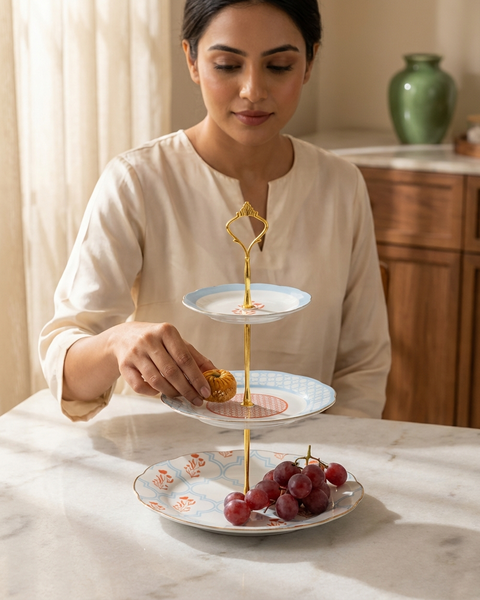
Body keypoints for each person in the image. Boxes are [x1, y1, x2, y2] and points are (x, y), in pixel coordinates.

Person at [39, 0, 390, 422]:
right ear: (191, 60)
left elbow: (363, 369)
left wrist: (318, 468)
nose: (253, 91)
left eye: (278, 66)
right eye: (227, 65)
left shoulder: (341, 185)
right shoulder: (137, 180)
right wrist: (117, 343)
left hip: (295, 473)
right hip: (169, 470)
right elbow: (67, 373)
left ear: (310, 63)